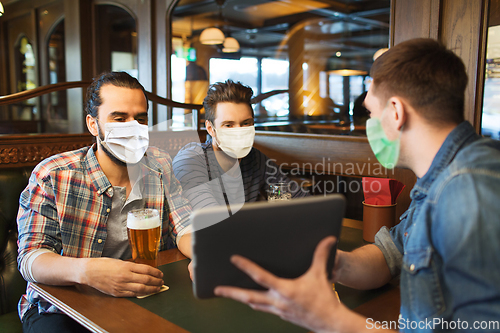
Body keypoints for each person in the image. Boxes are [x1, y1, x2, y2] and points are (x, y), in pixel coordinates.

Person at [214, 38, 500, 332]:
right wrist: (331, 262)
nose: (370, 124)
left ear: (396, 112)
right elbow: (389, 256)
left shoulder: (469, 192)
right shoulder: (440, 181)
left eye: (371, 114)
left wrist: (333, 320)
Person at [17, 72, 192, 332]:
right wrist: (88, 271)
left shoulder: (160, 163)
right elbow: (31, 258)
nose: (132, 127)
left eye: (140, 119)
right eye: (119, 118)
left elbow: (186, 225)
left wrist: (204, 255)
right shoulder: (54, 173)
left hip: (143, 296)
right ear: (92, 124)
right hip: (61, 308)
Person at [172, 80, 308, 257]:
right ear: (210, 129)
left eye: (246, 123)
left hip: (243, 252)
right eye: (228, 125)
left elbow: (293, 203)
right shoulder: (192, 159)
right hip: (186, 259)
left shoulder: (255, 159)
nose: (239, 131)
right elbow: (214, 224)